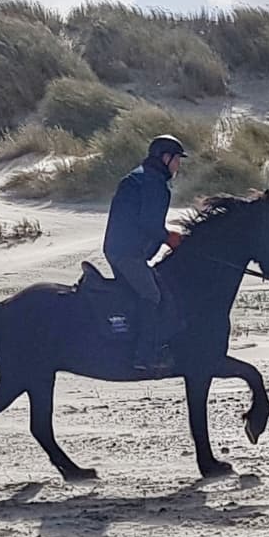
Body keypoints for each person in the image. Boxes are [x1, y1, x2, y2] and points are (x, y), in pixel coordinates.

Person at [104, 132, 186, 365]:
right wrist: (169, 237)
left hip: (120, 249)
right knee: (151, 294)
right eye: (177, 159)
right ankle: (145, 355)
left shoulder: (142, 177)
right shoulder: (153, 183)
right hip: (127, 253)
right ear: (165, 158)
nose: (178, 165)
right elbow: (148, 224)